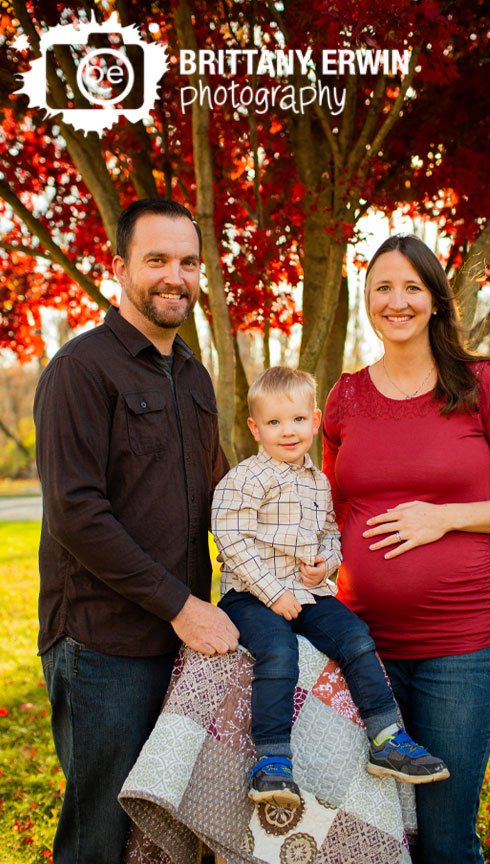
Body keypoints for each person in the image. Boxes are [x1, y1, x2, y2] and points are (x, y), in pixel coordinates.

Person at [321, 234, 490, 863]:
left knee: (445, 840)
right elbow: (332, 510)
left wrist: (444, 518)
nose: (397, 301)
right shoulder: (343, 398)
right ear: (367, 300)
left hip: (463, 649)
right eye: (383, 288)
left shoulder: (481, 385)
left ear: (436, 300)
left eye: (412, 287)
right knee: (374, 834)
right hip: (361, 649)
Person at [34, 198, 240, 864]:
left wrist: (282, 551)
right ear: (119, 267)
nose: (173, 277)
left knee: (159, 834)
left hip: (182, 644)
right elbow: (77, 513)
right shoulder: (81, 371)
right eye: (156, 260)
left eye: (187, 262)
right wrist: (181, 607)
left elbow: (220, 490)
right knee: (101, 833)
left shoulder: (194, 377)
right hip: (102, 646)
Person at [213, 366, 449, 808]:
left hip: (307, 592)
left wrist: (326, 566)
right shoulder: (244, 479)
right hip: (249, 595)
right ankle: (272, 761)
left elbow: (328, 533)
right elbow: (231, 539)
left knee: (356, 637)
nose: (288, 431)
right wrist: (272, 592)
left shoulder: (320, 481)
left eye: (299, 420)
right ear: (255, 428)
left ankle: (386, 738)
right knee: (279, 651)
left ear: (316, 420)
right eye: (275, 422)